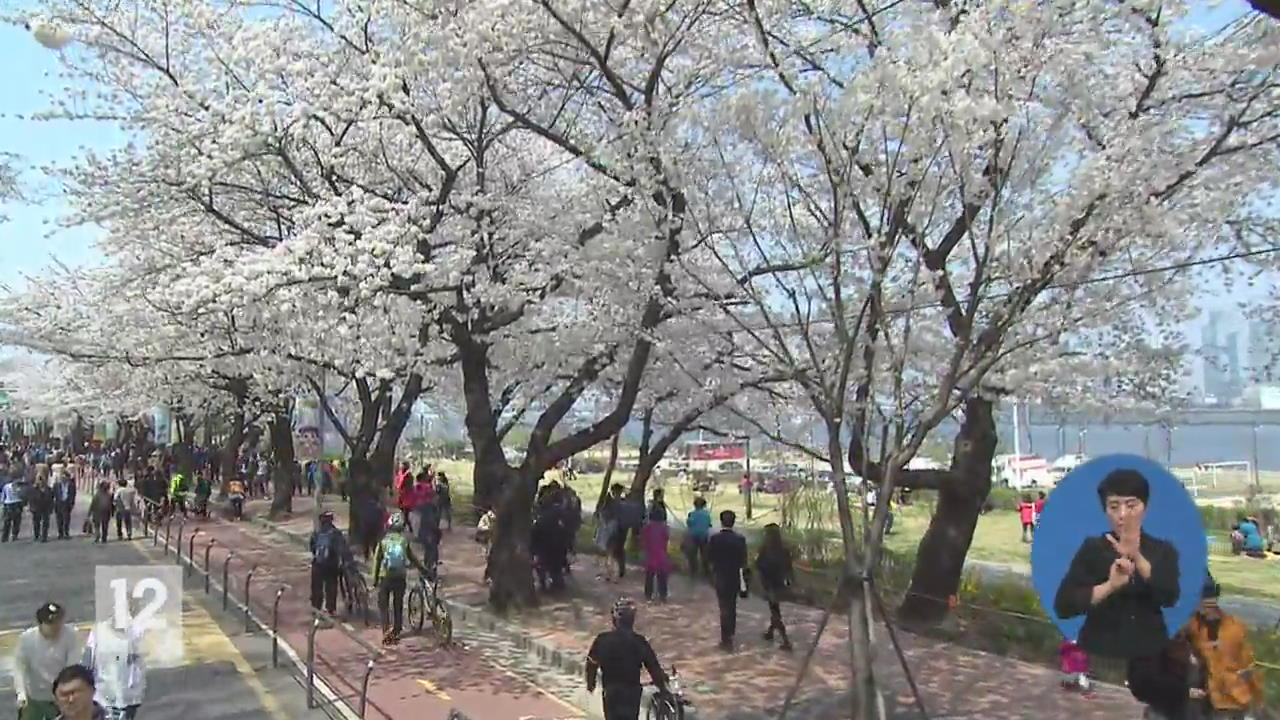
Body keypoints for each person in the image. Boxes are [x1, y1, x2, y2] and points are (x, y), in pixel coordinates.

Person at [1053, 469, 1180, 659]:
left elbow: (1170, 597)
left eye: (1131, 506)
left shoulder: (1162, 550)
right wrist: (1109, 586)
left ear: (1145, 507)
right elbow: (1064, 606)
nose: (1123, 515)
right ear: (1105, 510)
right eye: (1114, 507)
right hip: (1100, 652)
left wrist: (1136, 556)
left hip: (1150, 655)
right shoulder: (1093, 548)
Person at [1185, 575, 1263, 718]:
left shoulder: (1234, 628)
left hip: (1230, 701)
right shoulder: (1193, 626)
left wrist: (1257, 702)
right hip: (1204, 699)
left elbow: (1248, 667)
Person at [585, 598, 670, 720]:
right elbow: (653, 667)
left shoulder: (602, 640)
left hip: (611, 692)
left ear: (614, 620)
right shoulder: (639, 641)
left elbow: (591, 664)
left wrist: (590, 683)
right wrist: (662, 687)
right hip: (632, 693)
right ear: (632, 621)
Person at [12, 603, 81, 720]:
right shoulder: (27, 639)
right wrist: (21, 693)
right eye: (51, 624)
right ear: (41, 624)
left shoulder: (70, 636)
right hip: (33, 698)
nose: (56, 626)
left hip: (59, 698)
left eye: (58, 621)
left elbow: (72, 668)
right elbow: (19, 668)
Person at [371, 511, 425, 645]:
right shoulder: (403, 541)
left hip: (385, 576)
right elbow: (412, 558)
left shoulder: (384, 542)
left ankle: (386, 629)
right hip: (400, 576)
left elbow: (377, 561)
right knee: (398, 603)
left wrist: (375, 579)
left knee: (383, 604)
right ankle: (397, 629)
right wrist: (423, 569)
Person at [82, 607, 146, 719]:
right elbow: (87, 663)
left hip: (127, 697)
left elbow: (138, 663)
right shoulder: (98, 632)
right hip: (104, 696)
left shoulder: (136, 632)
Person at [707, 510, 748, 652]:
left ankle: (726, 638)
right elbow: (744, 561)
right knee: (732, 606)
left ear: (721, 521)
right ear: (733, 522)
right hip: (734, 576)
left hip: (720, 576)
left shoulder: (715, 539)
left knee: (723, 606)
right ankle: (731, 632)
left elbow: (709, 558)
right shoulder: (740, 539)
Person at [756, 522, 794, 651]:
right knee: (774, 608)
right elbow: (789, 567)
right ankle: (770, 632)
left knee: (775, 612)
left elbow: (759, 565)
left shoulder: (765, 550)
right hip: (780, 583)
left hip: (770, 584)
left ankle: (786, 641)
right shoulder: (784, 550)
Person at [309, 510, 354, 615]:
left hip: (318, 564)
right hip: (331, 565)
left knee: (316, 587)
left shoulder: (317, 533)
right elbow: (343, 549)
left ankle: (316, 608)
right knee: (331, 586)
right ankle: (330, 609)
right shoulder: (336, 533)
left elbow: (312, 547)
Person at [640, 507, 670, 603]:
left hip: (650, 554)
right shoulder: (664, 528)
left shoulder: (647, 528)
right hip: (661, 554)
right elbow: (666, 540)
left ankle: (648, 595)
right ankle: (663, 595)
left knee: (649, 576)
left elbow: (643, 540)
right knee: (662, 576)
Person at [683, 497, 712, 578]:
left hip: (693, 536)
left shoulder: (692, 514)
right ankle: (706, 571)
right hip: (704, 536)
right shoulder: (707, 514)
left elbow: (689, 523)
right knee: (704, 554)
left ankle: (693, 571)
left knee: (693, 554)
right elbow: (709, 524)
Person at [2, 473, 28, 542]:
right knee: (16, 521)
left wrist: (3, 502)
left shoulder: (6, 486)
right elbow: (21, 495)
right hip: (16, 503)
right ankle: (14, 535)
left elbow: (3, 496)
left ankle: (5, 536)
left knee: (7, 521)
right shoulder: (18, 487)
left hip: (8, 503)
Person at [28, 478, 53, 543]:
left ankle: (44, 536)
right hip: (36, 508)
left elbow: (51, 499)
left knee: (45, 523)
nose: (41, 483)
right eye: (39, 481)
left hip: (46, 508)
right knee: (36, 523)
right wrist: (31, 507)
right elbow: (31, 499)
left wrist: (51, 508)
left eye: (42, 481)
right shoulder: (34, 489)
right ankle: (36, 535)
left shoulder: (48, 489)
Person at [53, 472, 76, 540]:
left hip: (67, 503)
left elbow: (73, 494)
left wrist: (72, 503)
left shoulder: (71, 485)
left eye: (65, 477)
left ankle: (66, 532)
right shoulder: (56, 485)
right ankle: (60, 533)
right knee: (59, 519)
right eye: (62, 477)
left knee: (66, 519)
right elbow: (53, 494)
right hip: (59, 503)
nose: (63, 479)